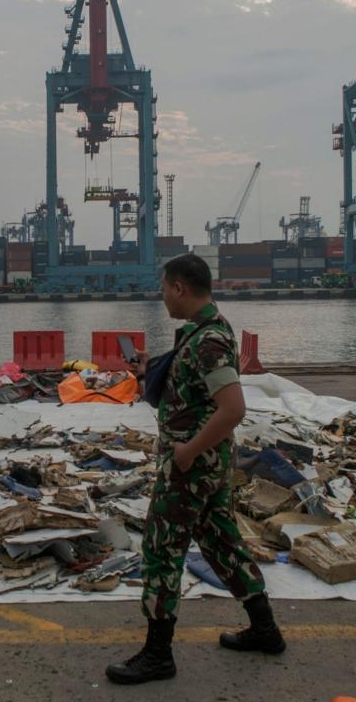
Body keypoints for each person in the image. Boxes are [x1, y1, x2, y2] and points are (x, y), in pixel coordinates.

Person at [106, 253, 285, 685]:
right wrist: (150, 369)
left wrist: (187, 451)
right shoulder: (202, 334)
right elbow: (197, 393)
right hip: (206, 464)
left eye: (164, 288)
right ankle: (265, 630)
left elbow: (233, 409)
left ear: (180, 288)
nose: (162, 296)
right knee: (221, 543)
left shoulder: (208, 341)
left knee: (161, 550)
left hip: (192, 466)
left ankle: (157, 655)